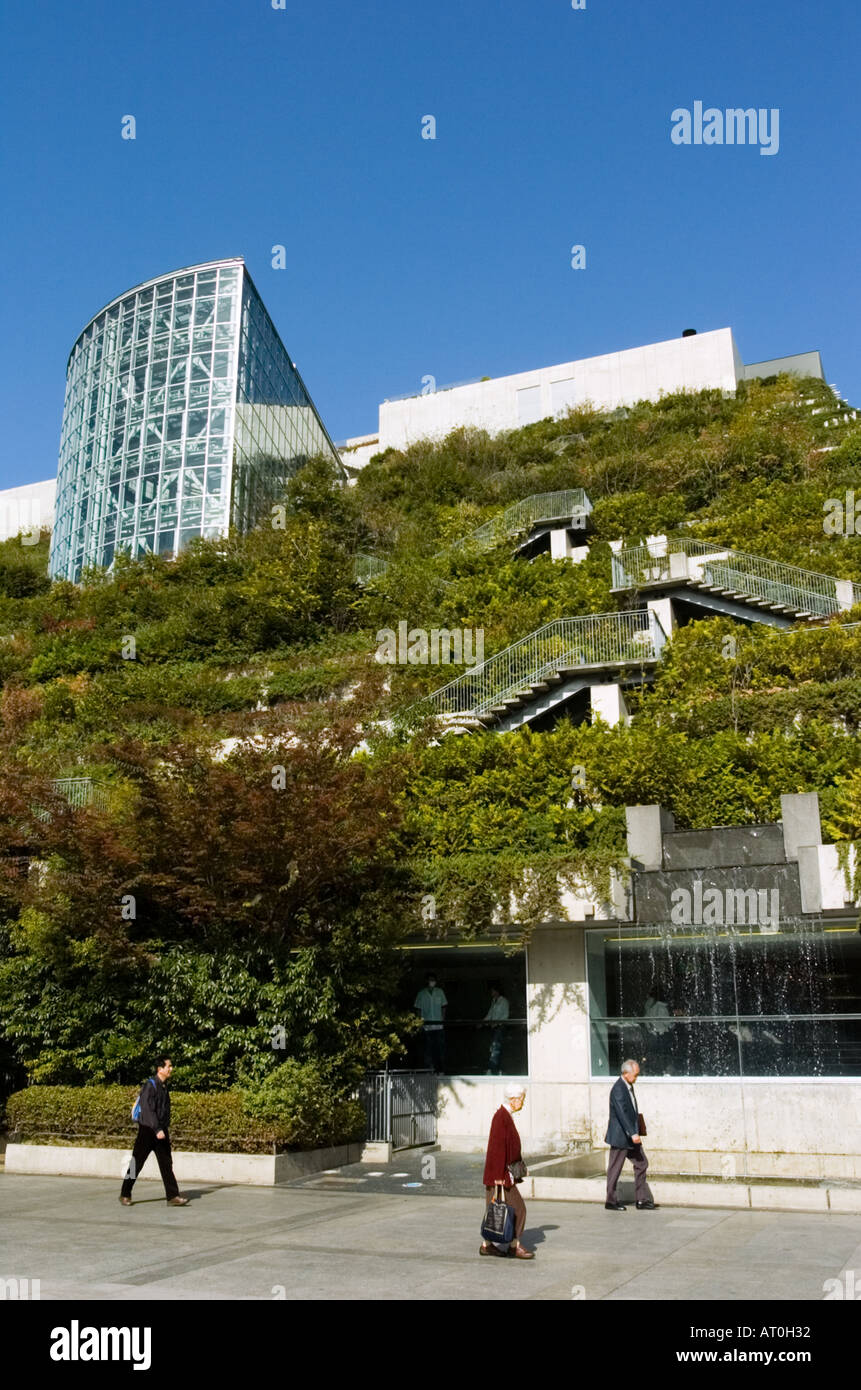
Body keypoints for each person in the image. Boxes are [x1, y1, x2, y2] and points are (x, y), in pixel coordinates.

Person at [120, 1055, 189, 1207]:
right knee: (135, 1163)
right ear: (160, 1069)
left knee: (166, 1163)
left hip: (161, 1131)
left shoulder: (164, 1086)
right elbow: (148, 1109)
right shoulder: (150, 1086)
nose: (171, 1069)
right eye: (168, 1066)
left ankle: (172, 1196)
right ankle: (125, 1193)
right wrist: (157, 1128)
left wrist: (163, 1127)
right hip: (147, 1131)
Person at [480, 1084, 534, 1259]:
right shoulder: (501, 1117)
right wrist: (498, 1177)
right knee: (518, 1209)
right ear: (514, 1099)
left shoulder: (504, 1116)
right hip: (500, 1176)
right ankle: (513, 1246)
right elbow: (497, 1148)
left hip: (501, 1174)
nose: (523, 1103)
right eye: (522, 1100)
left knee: (494, 1210)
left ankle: (488, 1245)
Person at [604, 1059, 658, 1212]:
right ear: (626, 1073)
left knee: (642, 1163)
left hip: (630, 1135)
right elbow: (622, 1114)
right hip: (621, 1136)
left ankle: (641, 1200)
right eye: (635, 1075)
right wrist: (633, 1133)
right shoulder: (618, 1089)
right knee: (615, 1168)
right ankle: (611, 1201)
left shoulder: (628, 1086)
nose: (637, 1078)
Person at [414, 972, 447, 1073]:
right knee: (428, 1049)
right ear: (426, 981)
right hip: (427, 1026)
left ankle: (440, 1070)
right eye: (430, 980)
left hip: (438, 1026)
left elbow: (444, 1006)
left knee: (440, 1049)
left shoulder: (440, 992)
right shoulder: (421, 993)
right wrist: (419, 1023)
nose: (432, 982)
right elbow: (418, 1009)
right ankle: (429, 1070)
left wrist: (443, 1020)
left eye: (434, 980)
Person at [482, 983, 509, 1075]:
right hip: (493, 1027)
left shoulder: (504, 1001)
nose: (491, 993)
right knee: (494, 1048)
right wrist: (483, 1022)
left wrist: (497, 1023)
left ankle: (491, 1069)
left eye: (493, 991)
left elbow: (505, 1015)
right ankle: (497, 1070)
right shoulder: (494, 1001)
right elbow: (490, 1014)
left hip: (500, 1027)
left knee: (496, 1048)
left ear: (497, 991)